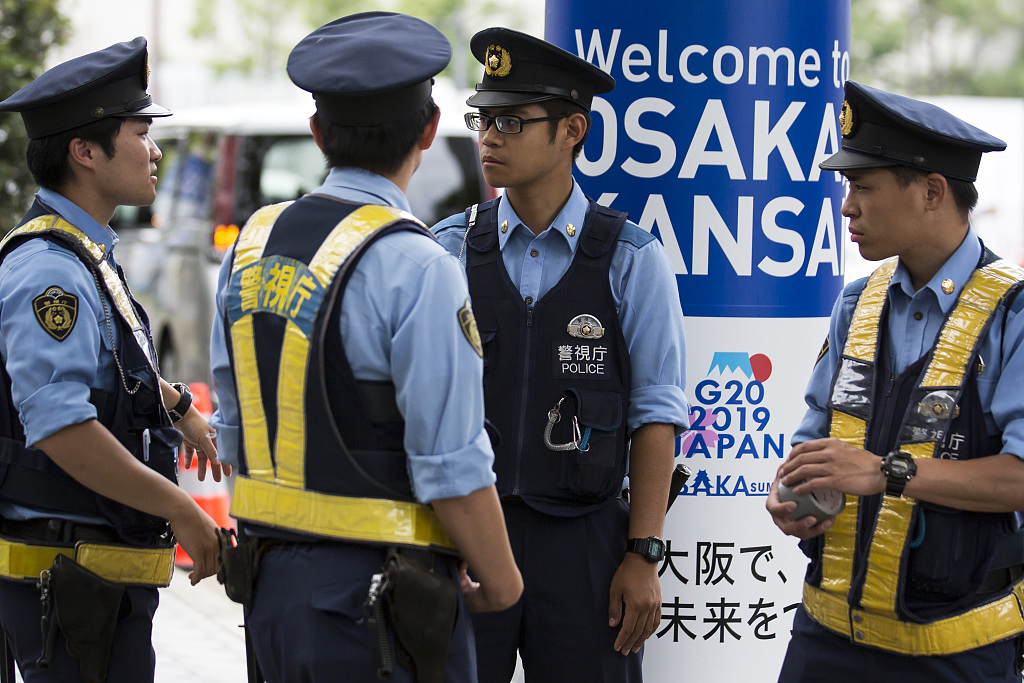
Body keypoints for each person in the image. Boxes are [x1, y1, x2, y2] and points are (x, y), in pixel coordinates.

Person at [207, 12, 522, 682]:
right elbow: (452, 466)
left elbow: (233, 426)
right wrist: (502, 582)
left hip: (270, 597)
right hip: (380, 608)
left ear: (318, 134)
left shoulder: (251, 246)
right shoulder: (419, 265)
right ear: (430, 131)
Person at [432, 27, 689, 683]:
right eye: (483, 119)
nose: (489, 136)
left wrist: (643, 552)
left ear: (572, 129)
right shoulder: (447, 250)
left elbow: (656, 415)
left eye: (512, 121)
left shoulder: (631, 258)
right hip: (465, 534)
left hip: (586, 547)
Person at [766, 80, 1024, 682]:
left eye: (862, 187)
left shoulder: (1013, 313)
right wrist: (792, 495)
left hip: (956, 651)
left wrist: (886, 471)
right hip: (824, 641)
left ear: (933, 191)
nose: (847, 206)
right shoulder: (856, 302)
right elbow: (816, 442)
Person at [0, 37, 228, 682]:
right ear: (85, 152)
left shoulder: (83, 253)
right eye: (140, 132)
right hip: (69, 588)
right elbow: (61, 426)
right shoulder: (51, 272)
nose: (155, 151)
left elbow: (108, 369)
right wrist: (180, 508)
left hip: (93, 581)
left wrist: (177, 405)